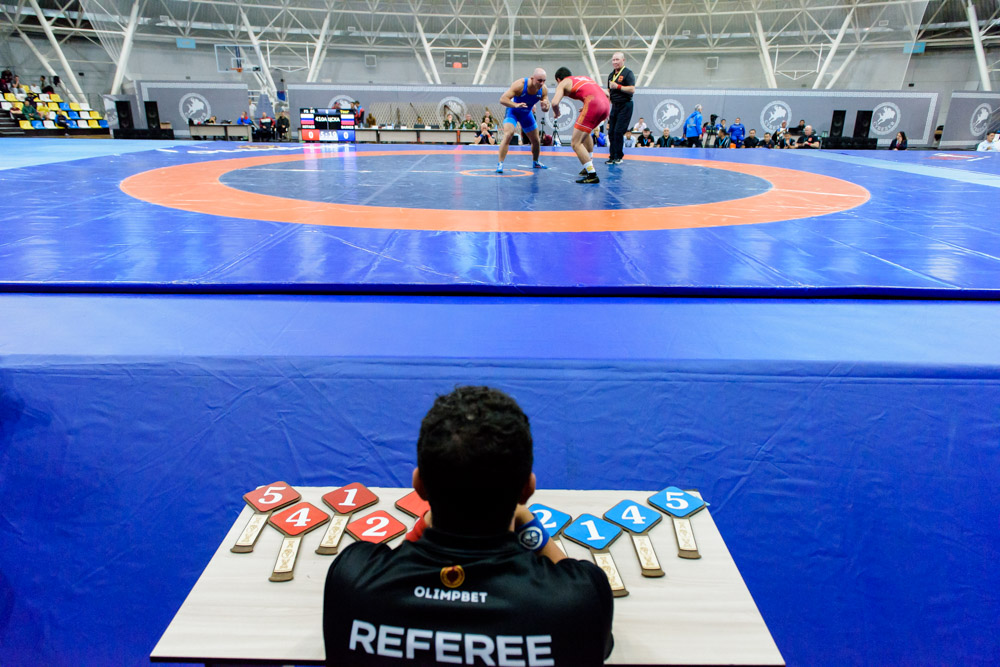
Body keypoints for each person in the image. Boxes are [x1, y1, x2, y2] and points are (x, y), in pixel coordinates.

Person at [323, 386, 614, 667]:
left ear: (419, 485)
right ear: (527, 490)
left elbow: (394, 567)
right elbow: (581, 602)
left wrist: (425, 524)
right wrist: (528, 525)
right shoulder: (579, 598)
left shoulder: (353, 579)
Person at [551, 67, 611, 184]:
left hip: (594, 105)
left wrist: (556, 112)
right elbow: (607, 94)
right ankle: (588, 164)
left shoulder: (563, 83)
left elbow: (554, 102)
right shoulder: (585, 78)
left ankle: (592, 174)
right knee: (586, 133)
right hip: (605, 107)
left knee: (575, 143)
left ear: (558, 79)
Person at [496, 68, 551, 173]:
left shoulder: (543, 89)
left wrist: (546, 107)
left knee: (536, 140)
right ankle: (500, 163)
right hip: (513, 112)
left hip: (526, 114)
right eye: (539, 80)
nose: (542, 83)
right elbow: (503, 99)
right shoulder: (520, 85)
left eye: (544, 81)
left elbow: (546, 107)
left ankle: (536, 162)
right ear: (532, 78)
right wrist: (515, 105)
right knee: (508, 134)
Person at [605, 51, 636, 165]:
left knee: (618, 131)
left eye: (617, 59)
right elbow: (609, 92)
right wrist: (606, 107)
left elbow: (632, 89)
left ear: (623, 60)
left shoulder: (628, 73)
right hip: (615, 105)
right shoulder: (611, 75)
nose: (615, 62)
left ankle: (618, 156)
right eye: (613, 60)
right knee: (611, 132)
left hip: (625, 105)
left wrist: (618, 86)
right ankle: (612, 156)